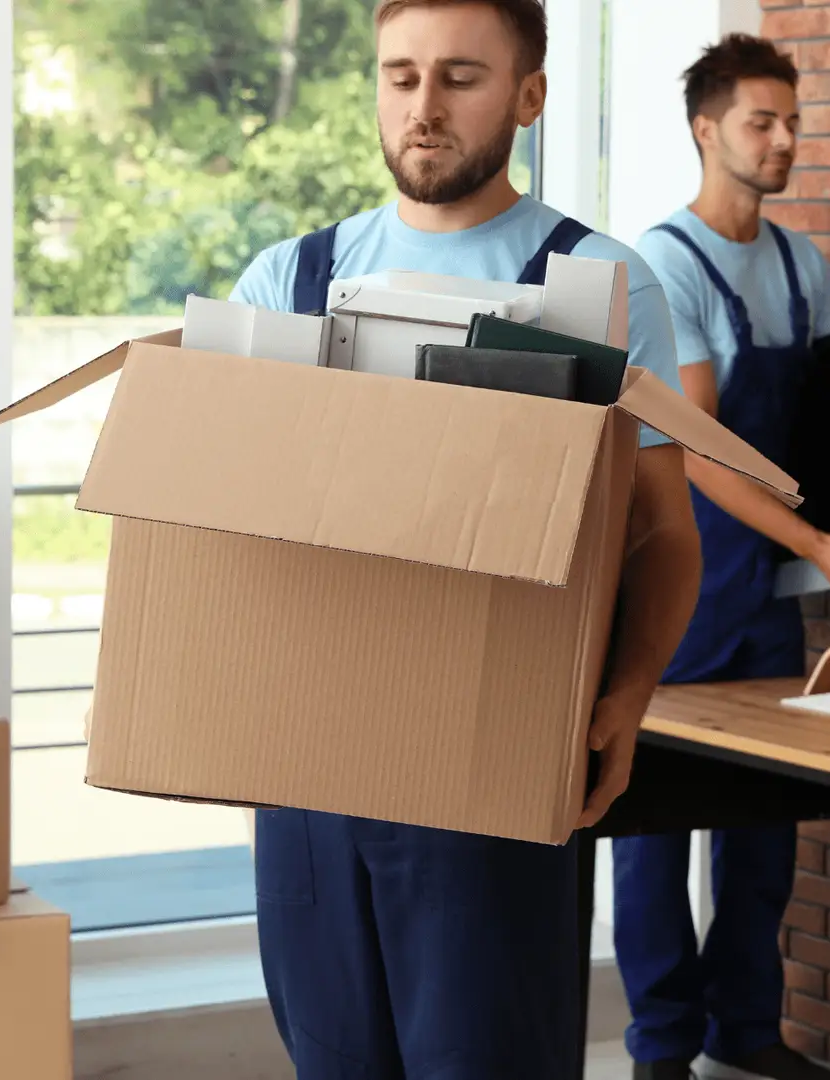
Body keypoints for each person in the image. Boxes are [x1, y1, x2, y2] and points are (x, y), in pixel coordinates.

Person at [226, 2, 704, 1077]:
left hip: (500, 756)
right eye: (399, 77)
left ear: (530, 96)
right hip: (311, 773)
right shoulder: (286, 284)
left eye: (459, 77)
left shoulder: (602, 287)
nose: (423, 107)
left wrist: (627, 700)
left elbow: (664, 533)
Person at [611, 34, 830, 1080]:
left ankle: (748, 1031)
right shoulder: (661, 264)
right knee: (654, 833)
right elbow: (696, 447)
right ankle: (661, 1047)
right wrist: (815, 539)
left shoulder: (801, 264)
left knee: (767, 831)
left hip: (772, 596)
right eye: (762, 122)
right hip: (683, 580)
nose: (783, 141)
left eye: (793, 123)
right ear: (706, 129)